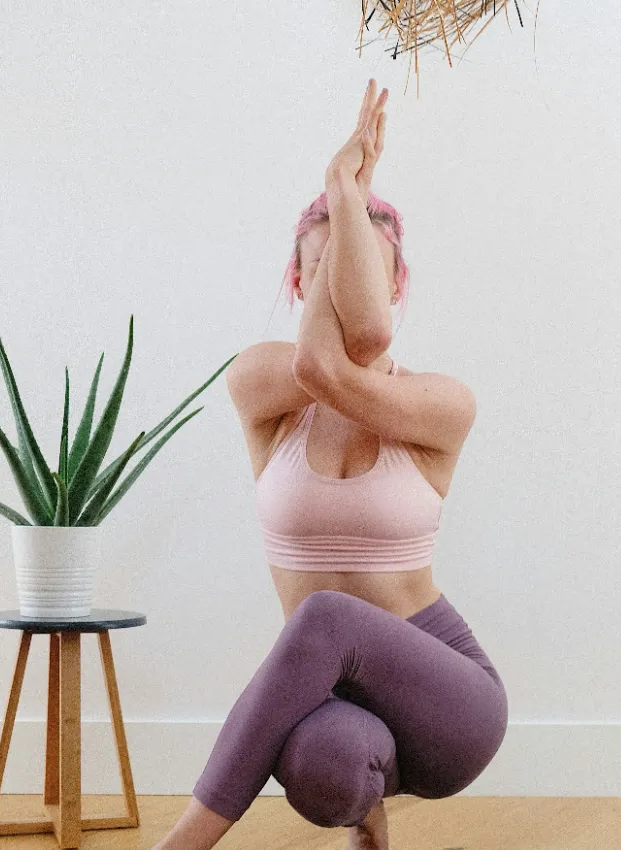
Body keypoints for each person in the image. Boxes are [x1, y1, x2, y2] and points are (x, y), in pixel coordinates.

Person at [152, 78, 508, 850]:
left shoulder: (441, 404)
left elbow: (363, 347)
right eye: (328, 271)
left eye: (370, 272)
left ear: (397, 284)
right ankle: (366, 820)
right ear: (297, 283)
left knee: (324, 617)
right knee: (322, 766)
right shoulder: (260, 384)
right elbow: (326, 364)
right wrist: (349, 201)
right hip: (333, 706)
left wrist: (340, 190)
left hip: (449, 703)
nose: (351, 292)